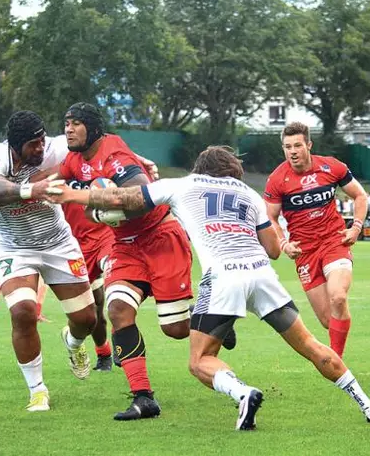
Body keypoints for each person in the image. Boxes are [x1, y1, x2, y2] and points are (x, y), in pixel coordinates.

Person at [48, 145, 370, 430]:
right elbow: (274, 250)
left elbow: (122, 200)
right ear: (231, 172)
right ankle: (368, 406)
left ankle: (243, 393)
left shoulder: (182, 185)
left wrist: (70, 195)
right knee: (310, 344)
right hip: (262, 277)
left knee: (200, 362)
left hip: (224, 278)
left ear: (201, 167)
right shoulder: (248, 193)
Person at [56, 102, 236, 421]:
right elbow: (56, 180)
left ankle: (214, 316)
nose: (68, 129)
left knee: (176, 329)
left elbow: (139, 194)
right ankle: (144, 398)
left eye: (76, 123)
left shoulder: (115, 155)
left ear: (93, 128)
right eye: (66, 123)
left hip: (160, 237)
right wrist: (22, 191)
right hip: (124, 245)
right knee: (118, 310)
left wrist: (100, 205)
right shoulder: (73, 160)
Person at [0, 110, 97, 412]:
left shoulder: (55, 148)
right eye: (33, 145)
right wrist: (32, 190)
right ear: (15, 145)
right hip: (13, 248)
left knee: (86, 320)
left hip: (58, 243)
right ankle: (37, 390)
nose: (41, 149)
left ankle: (73, 342)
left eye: (42, 141)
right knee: (23, 311)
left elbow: (99, 147)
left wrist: (136, 161)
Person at [263, 122, 368, 359]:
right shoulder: (277, 179)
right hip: (305, 252)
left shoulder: (331, 167)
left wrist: (356, 226)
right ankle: (336, 358)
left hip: (334, 241)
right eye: (287, 147)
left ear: (308, 145)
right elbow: (270, 216)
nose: (293, 151)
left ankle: (336, 362)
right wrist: (283, 243)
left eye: (297, 145)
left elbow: (360, 195)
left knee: (338, 297)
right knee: (326, 319)